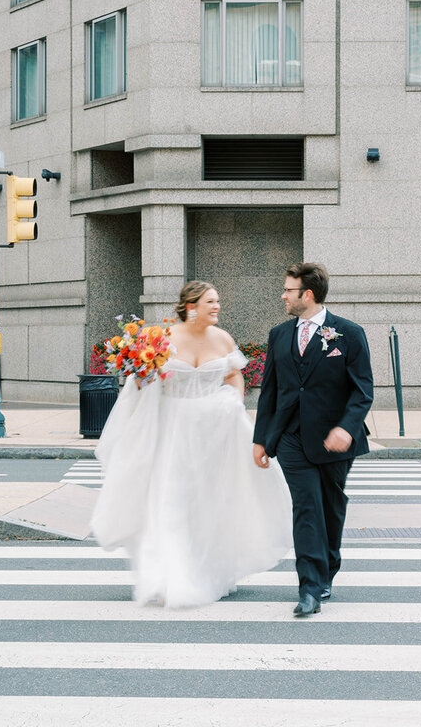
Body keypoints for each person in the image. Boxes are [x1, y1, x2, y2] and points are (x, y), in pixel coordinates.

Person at [91, 281, 293, 608]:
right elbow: (144, 382)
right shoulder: (163, 339)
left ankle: (208, 571)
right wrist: (140, 374)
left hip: (215, 432)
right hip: (172, 430)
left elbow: (234, 376)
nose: (217, 306)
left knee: (209, 503)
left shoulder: (223, 338)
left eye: (217, 301)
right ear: (191, 306)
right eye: (210, 301)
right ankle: (170, 575)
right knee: (172, 500)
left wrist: (232, 404)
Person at [253, 263, 374, 617]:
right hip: (291, 437)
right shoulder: (279, 335)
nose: (283, 295)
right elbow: (270, 392)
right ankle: (309, 588)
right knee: (306, 508)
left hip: (335, 439)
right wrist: (261, 438)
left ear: (307, 294)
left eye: (288, 290)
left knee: (331, 508)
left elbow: (362, 390)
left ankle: (327, 571)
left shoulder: (348, 333)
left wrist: (346, 427)